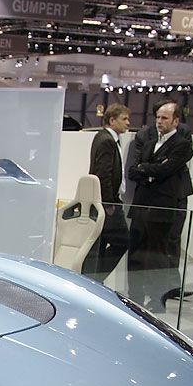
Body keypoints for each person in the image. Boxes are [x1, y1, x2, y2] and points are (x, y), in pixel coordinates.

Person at [127, 100, 193, 311]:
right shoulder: (148, 143)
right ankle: (134, 297)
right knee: (135, 254)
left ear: (175, 121)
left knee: (157, 256)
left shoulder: (181, 144)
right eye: (158, 117)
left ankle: (157, 300)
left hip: (162, 207)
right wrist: (152, 170)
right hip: (141, 206)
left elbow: (167, 170)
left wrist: (146, 169)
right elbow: (133, 171)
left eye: (164, 118)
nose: (159, 121)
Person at [83, 104, 130, 281]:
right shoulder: (106, 140)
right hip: (108, 202)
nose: (128, 123)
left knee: (100, 243)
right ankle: (96, 278)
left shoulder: (103, 138)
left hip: (104, 201)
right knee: (122, 241)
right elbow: (103, 173)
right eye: (124, 119)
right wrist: (109, 203)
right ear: (112, 120)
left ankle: (94, 278)